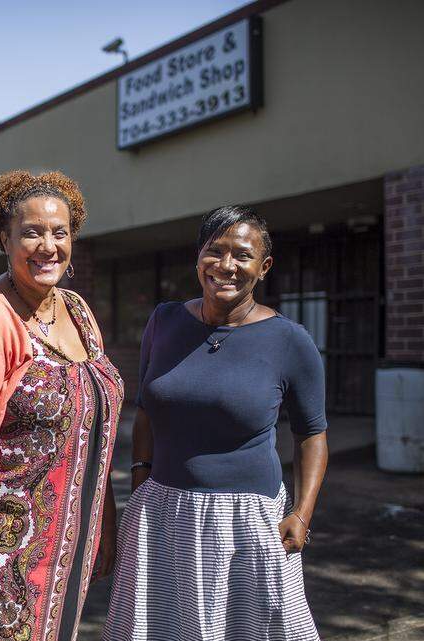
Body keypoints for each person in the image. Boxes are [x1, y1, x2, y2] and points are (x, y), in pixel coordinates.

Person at [103, 205, 329, 641]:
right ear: (198, 258)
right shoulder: (164, 321)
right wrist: (141, 478)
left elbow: (312, 435)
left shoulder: (289, 341)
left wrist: (302, 514)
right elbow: (147, 408)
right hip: (162, 514)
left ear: (263, 268)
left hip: (246, 521)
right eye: (215, 251)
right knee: (162, 629)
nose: (226, 266)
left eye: (242, 255)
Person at [0, 170, 125, 641]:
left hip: (63, 551)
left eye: (60, 231)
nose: (48, 245)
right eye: (31, 232)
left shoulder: (77, 311)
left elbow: (93, 426)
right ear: (3, 239)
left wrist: (103, 521)